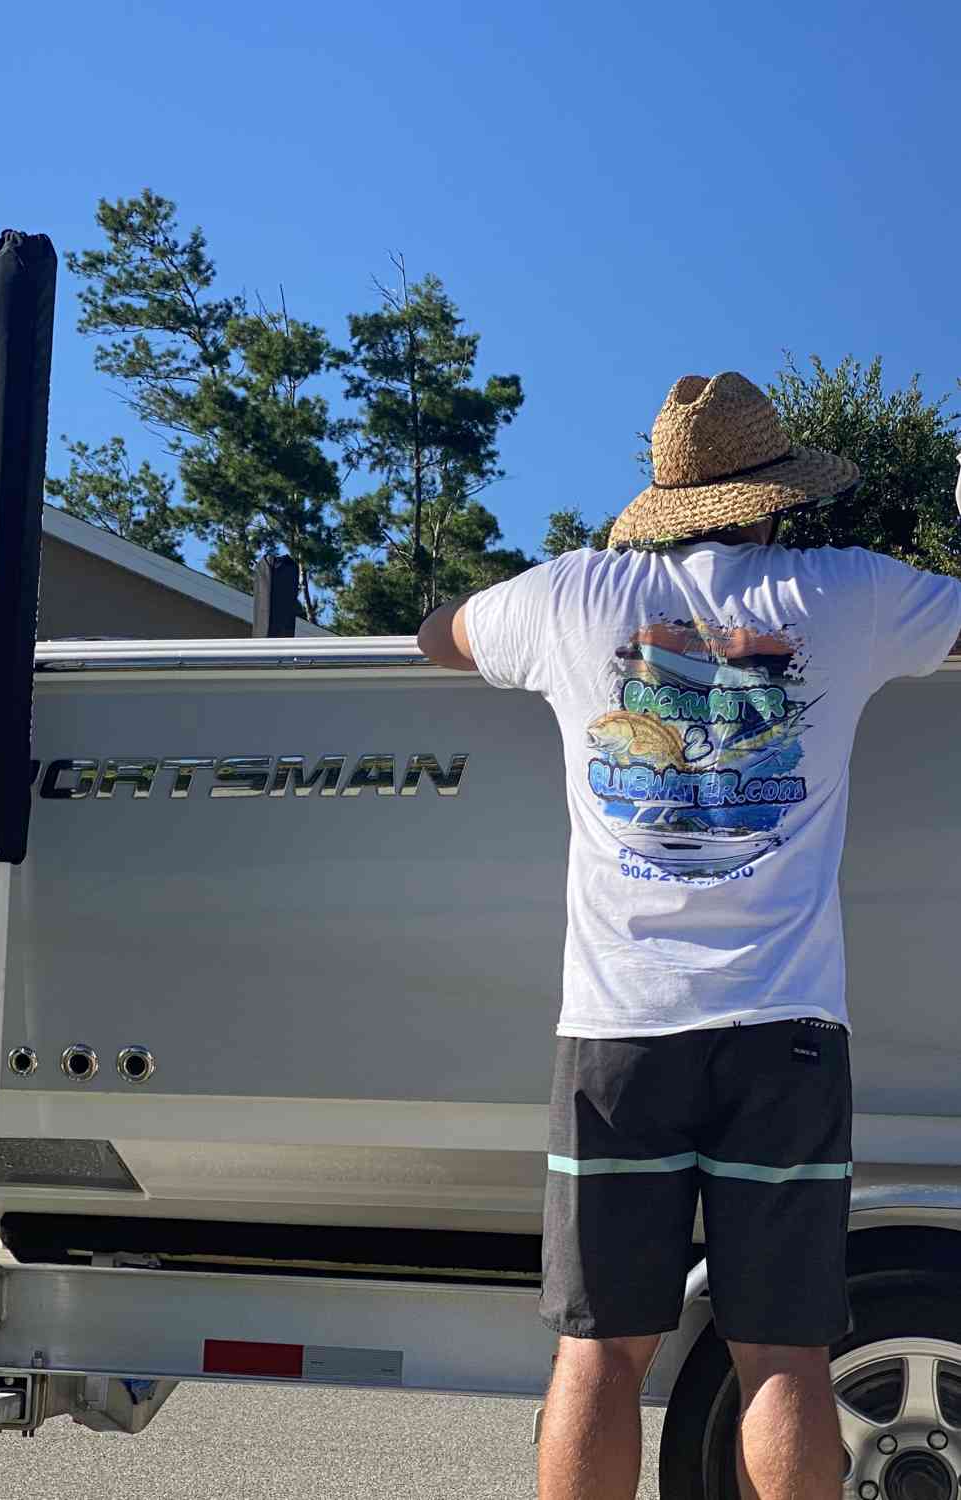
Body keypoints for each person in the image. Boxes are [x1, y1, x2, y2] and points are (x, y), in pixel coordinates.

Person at [418, 372, 961, 1500]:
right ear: (774, 499)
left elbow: (441, 635)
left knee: (599, 1351)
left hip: (619, 1034)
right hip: (786, 1034)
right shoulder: (848, 595)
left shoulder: (573, 596)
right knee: (781, 1352)